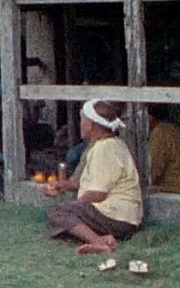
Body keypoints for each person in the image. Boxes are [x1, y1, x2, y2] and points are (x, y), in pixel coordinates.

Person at [43, 100, 142, 254]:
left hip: (117, 216)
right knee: (66, 211)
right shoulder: (111, 144)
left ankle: (100, 243)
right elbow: (93, 182)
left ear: (91, 124)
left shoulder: (104, 148)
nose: (80, 124)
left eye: (82, 120)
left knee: (60, 212)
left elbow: (98, 194)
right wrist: (65, 186)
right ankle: (104, 238)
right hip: (123, 217)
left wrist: (75, 206)